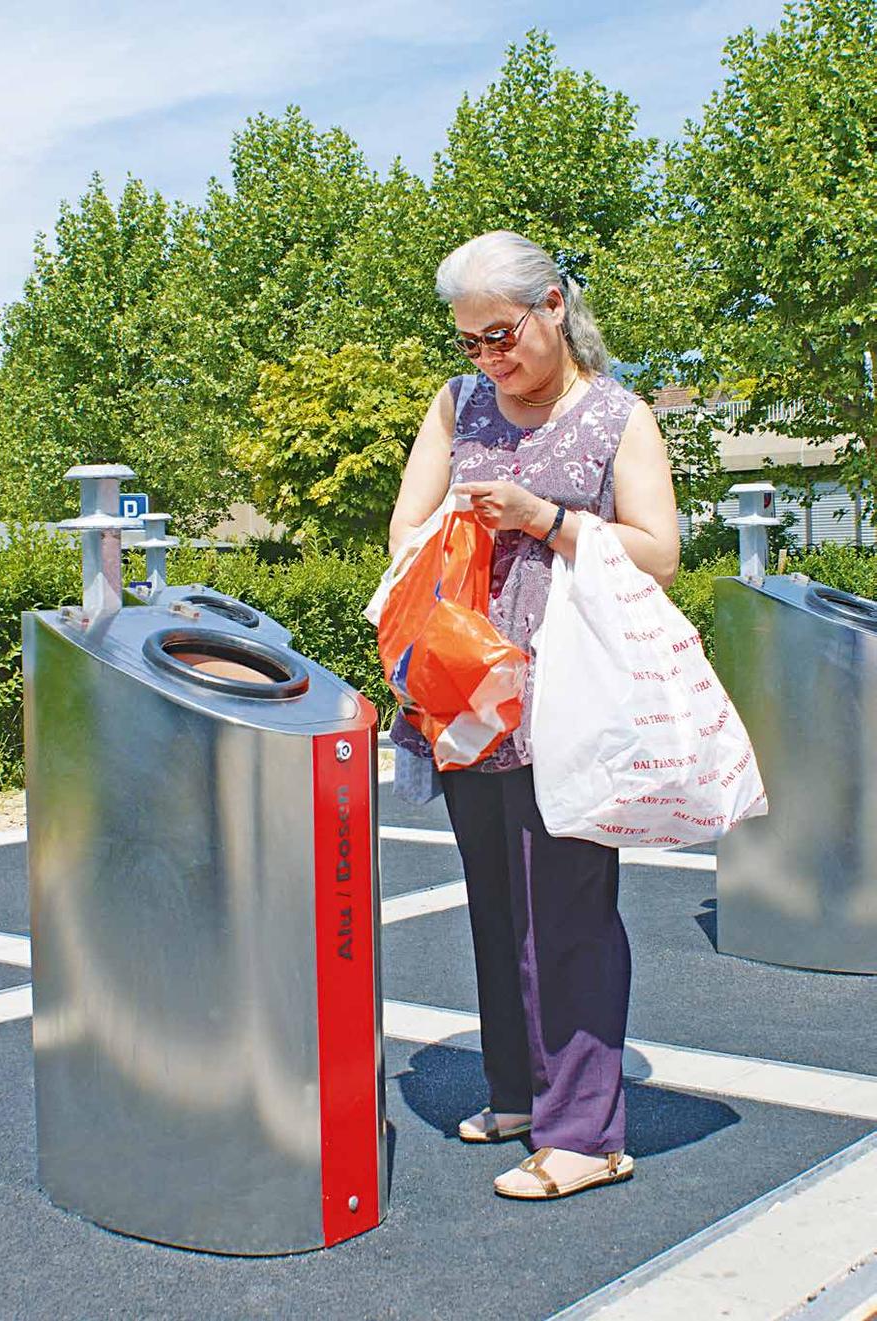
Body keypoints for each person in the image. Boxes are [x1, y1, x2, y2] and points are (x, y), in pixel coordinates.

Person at [387, 230, 680, 1201]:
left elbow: (659, 552)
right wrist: (444, 533)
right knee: (495, 903)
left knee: (568, 909)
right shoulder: (456, 402)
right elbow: (404, 524)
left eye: (500, 333)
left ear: (554, 304)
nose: (487, 358)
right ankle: (517, 1091)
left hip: (571, 694)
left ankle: (587, 1132)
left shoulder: (616, 417)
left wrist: (542, 519)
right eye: (469, 341)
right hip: (471, 689)